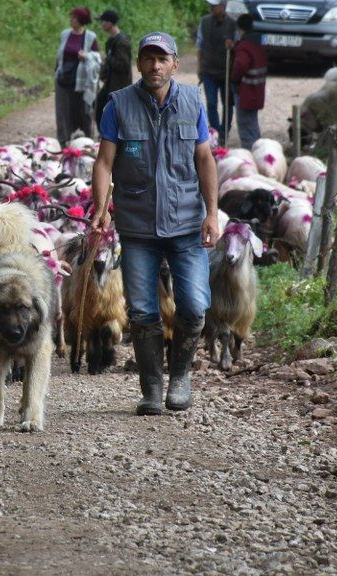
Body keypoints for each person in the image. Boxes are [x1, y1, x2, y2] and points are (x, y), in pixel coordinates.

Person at [91, 32, 219, 416]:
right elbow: (104, 162)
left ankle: (180, 377)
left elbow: (205, 160)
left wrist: (212, 212)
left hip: (185, 224)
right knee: (143, 311)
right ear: (139, 64)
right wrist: (101, 206)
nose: (154, 65)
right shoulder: (119, 105)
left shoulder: (193, 103)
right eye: (148, 58)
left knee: (195, 305)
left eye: (162, 59)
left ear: (175, 64)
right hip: (137, 226)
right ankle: (151, 388)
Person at [54, 6, 100, 145]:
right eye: (71, 17)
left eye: (74, 18)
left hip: (82, 81)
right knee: (63, 111)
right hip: (64, 78)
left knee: (84, 110)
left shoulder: (90, 37)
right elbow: (60, 55)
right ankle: (63, 141)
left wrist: (86, 56)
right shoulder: (65, 34)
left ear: (81, 21)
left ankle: (87, 142)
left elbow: (97, 58)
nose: (71, 20)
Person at [196, 0, 237, 141]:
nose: (211, 7)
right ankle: (215, 130)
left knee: (228, 104)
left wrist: (232, 46)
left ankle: (225, 131)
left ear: (223, 7)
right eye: (211, 5)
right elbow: (200, 45)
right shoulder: (204, 21)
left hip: (227, 71)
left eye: (215, 5)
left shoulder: (233, 24)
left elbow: (238, 45)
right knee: (211, 103)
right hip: (208, 70)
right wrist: (199, 66)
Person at [230, 14, 267, 148]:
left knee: (245, 126)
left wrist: (234, 79)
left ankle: (250, 154)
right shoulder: (259, 42)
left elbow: (241, 65)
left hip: (245, 91)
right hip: (257, 90)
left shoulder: (244, 46)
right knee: (253, 124)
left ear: (239, 29)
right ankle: (259, 150)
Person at [95, 9, 134, 132]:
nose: (101, 24)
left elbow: (124, 65)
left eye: (103, 21)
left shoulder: (121, 41)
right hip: (110, 83)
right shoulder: (111, 40)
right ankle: (104, 137)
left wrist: (107, 58)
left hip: (120, 85)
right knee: (99, 106)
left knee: (117, 115)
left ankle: (114, 140)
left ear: (109, 23)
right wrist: (104, 72)